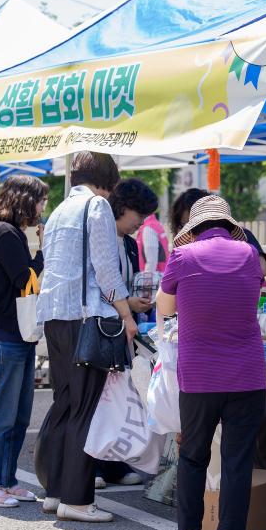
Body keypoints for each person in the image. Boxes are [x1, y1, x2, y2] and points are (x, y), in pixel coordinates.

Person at [157, 195, 266, 530]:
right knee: (237, 460)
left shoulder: (182, 257)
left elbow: (165, 308)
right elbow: (255, 294)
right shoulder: (250, 254)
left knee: (193, 454)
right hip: (246, 374)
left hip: (199, 375)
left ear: (193, 229)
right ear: (228, 224)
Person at [36, 151, 136, 523]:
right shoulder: (97, 208)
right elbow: (107, 269)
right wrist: (126, 315)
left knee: (65, 404)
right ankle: (77, 501)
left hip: (55, 316)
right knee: (85, 409)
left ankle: (56, 491)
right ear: (109, 180)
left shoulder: (60, 210)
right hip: (85, 317)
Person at [0, 175, 47, 508]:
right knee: (3, 417)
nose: (42, 207)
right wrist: (43, 252)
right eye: (40, 200)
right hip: (4, 337)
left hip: (14, 336)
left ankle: (7, 480)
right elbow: (26, 281)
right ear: (24, 199)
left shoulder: (11, 233)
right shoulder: (5, 234)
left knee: (18, 416)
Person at [92, 177, 159, 490]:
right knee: (98, 400)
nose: (140, 223)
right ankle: (94, 464)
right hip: (102, 328)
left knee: (121, 398)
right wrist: (127, 304)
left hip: (125, 328)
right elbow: (100, 283)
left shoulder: (131, 245)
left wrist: (137, 302)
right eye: (139, 215)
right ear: (123, 207)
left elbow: (127, 284)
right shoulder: (102, 235)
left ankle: (115, 463)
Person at [169, 187, 266, 276]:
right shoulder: (180, 252)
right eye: (184, 226)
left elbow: (262, 269)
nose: (189, 232)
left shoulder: (244, 236)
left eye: (195, 225)